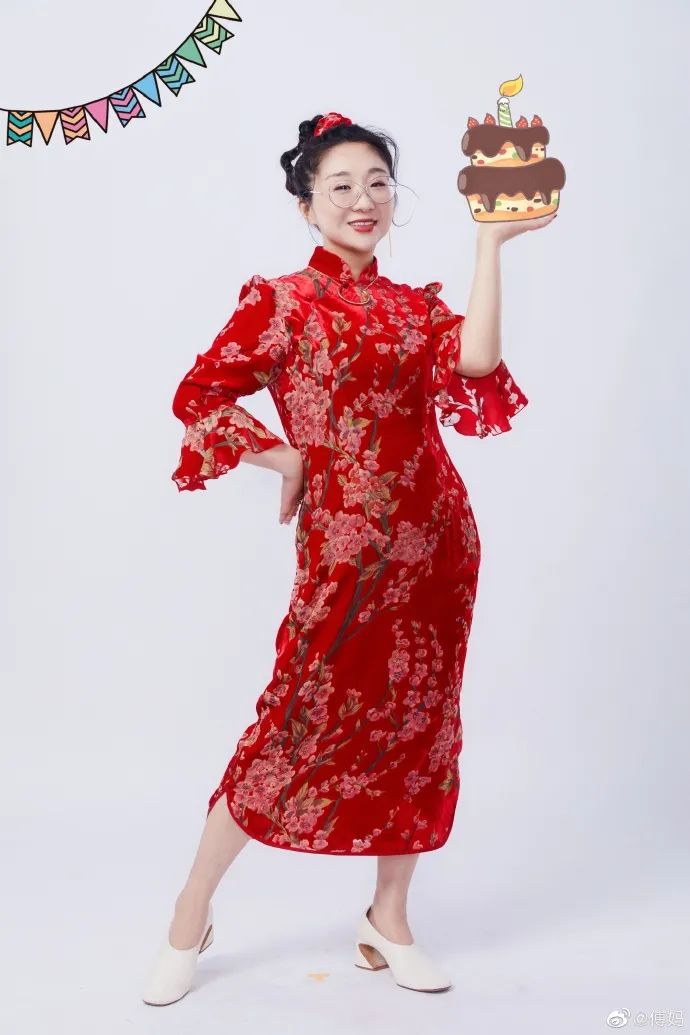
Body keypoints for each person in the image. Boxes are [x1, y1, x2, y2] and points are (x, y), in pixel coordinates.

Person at [142, 111, 555, 1005]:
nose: (363, 200)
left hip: (438, 546)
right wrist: (283, 455)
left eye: (378, 184)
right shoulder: (283, 301)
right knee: (290, 723)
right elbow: (199, 394)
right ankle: (190, 909)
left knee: (419, 728)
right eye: (341, 186)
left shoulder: (414, 307)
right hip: (342, 555)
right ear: (306, 204)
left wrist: (490, 246)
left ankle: (387, 918)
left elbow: (476, 359)